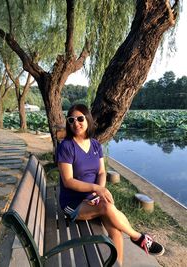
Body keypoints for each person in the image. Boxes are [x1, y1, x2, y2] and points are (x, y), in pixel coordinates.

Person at [57, 104, 165, 266]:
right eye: (71, 120)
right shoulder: (66, 147)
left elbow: (101, 172)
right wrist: (97, 189)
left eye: (80, 119)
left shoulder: (95, 144)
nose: (76, 123)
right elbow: (68, 181)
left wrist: (99, 193)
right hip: (73, 204)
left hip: (94, 200)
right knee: (107, 208)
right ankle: (138, 237)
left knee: (116, 229)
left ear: (88, 120)